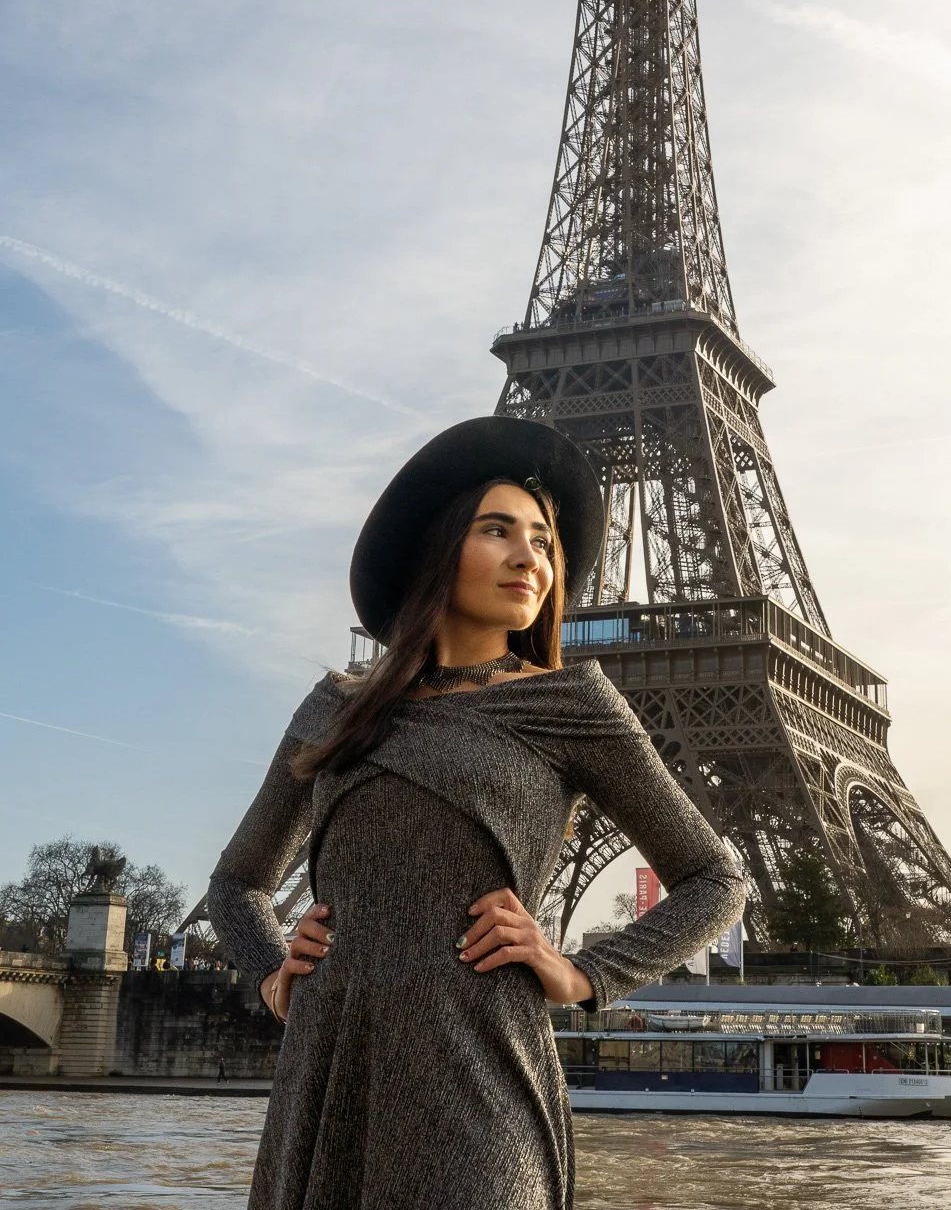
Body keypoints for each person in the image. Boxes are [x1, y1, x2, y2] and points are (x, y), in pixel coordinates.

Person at [208, 416, 745, 1210]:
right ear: (437, 547)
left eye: (543, 540)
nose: (531, 557)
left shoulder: (569, 703)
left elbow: (715, 878)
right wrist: (270, 975)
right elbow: (237, 880)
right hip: (330, 1074)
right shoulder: (333, 708)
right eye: (499, 531)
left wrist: (583, 975)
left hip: (481, 1080)